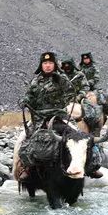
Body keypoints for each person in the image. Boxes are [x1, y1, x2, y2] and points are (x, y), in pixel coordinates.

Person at [13, 52, 76, 180]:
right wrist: (24, 101)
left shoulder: (61, 78)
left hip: (57, 117)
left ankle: (89, 166)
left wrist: (62, 88)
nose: (47, 66)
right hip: (39, 118)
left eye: (50, 63)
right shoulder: (36, 80)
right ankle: (27, 168)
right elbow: (29, 95)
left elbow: (71, 93)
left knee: (76, 137)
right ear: (41, 65)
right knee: (26, 141)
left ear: (54, 64)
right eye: (45, 63)